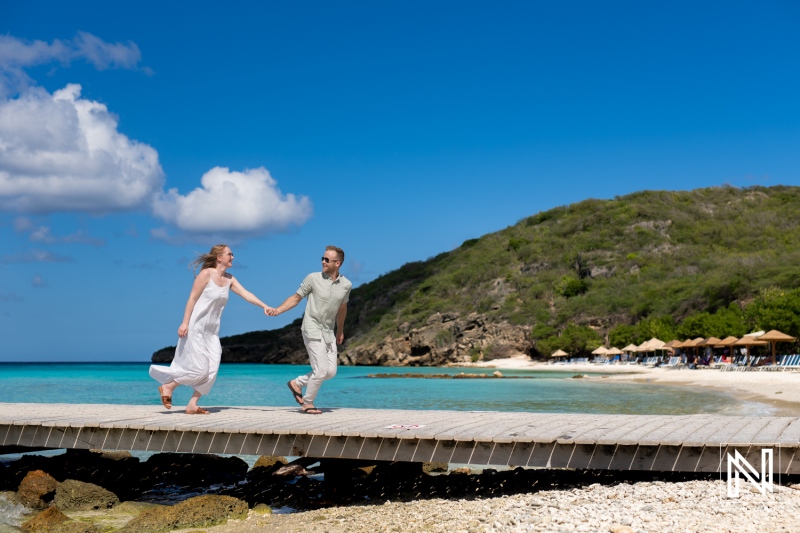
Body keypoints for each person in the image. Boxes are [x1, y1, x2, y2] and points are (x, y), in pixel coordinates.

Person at [150, 244, 271, 414]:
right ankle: (168, 386)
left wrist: (264, 306)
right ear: (219, 257)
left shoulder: (230, 279)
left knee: (212, 369)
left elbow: (247, 294)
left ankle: (192, 404)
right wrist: (184, 323)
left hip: (212, 332)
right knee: (199, 369)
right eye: (230, 254)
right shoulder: (206, 274)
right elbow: (192, 299)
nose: (233, 257)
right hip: (196, 327)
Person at [268, 246, 351, 414]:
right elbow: (296, 297)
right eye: (323, 258)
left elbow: (342, 308)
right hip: (311, 328)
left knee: (331, 372)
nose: (323, 261)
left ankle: (297, 383)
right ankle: (308, 403)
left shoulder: (346, 285)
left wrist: (340, 330)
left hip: (328, 331)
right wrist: (278, 310)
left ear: (338, 263)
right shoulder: (313, 278)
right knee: (320, 370)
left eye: (327, 260)